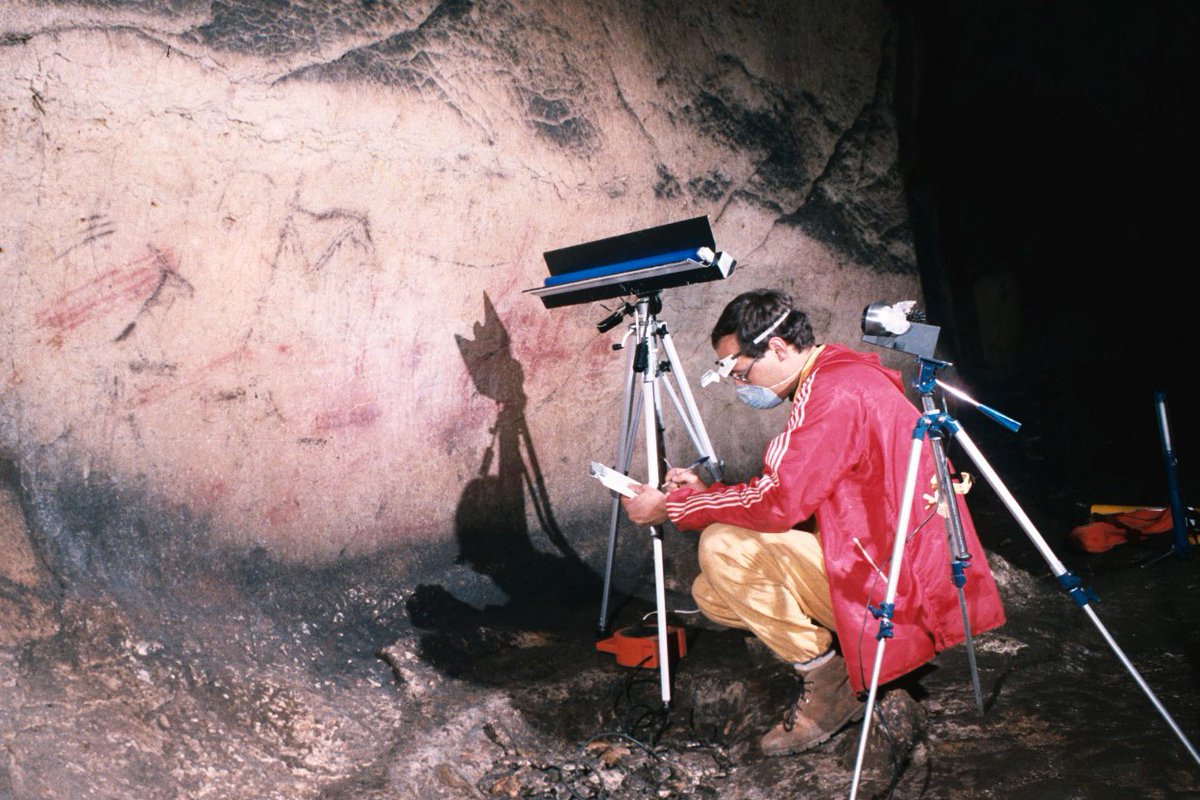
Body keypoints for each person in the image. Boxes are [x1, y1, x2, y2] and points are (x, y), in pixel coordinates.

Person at [621, 288, 1006, 756]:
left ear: (778, 348)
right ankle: (848, 653)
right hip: (896, 570)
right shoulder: (843, 372)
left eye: (740, 371)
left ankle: (829, 682)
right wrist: (706, 495)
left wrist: (674, 508)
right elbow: (798, 491)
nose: (741, 385)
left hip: (895, 597)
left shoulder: (830, 395)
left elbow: (779, 503)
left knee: (722, 546)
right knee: (712, 594)